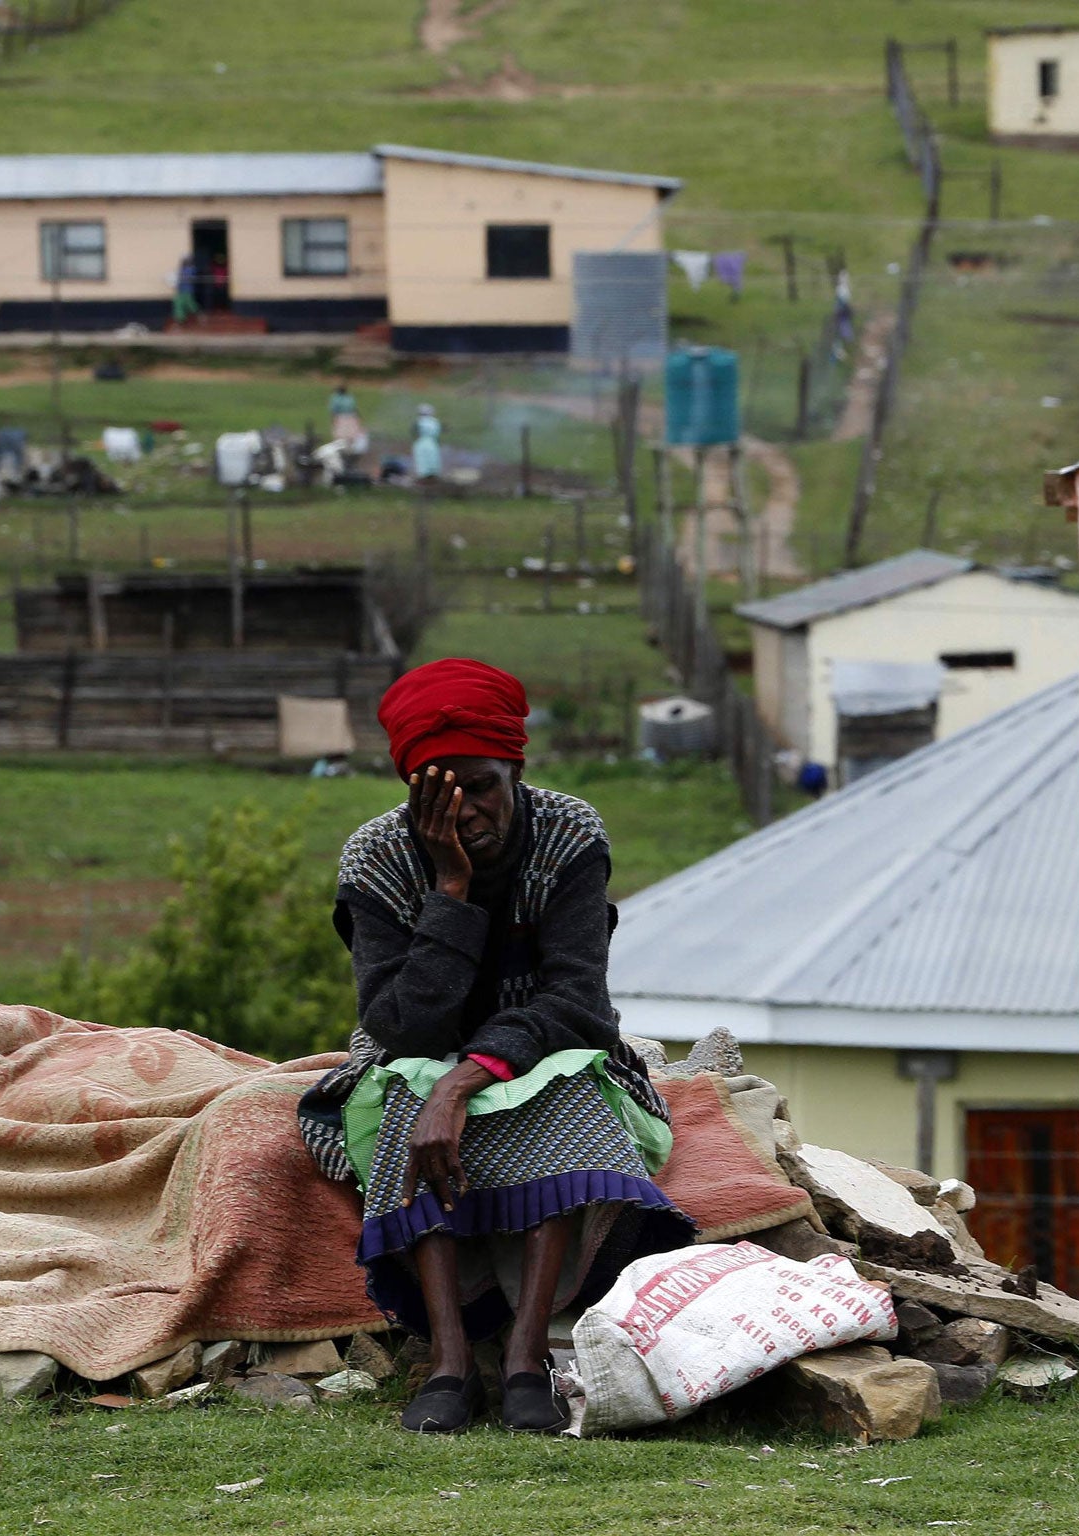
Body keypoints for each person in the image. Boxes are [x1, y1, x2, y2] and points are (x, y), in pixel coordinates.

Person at [298, 659, 690, 1434]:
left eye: (481, 785)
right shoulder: (377, 858)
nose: (466, 808)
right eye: (439, 791)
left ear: (517, 768)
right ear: (410, 787)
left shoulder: (569, 834)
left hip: (550, 1046)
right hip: (416, 1051)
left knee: (565, 1093)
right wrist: (449, 891)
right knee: (408, 1092)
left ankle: (523, 1356)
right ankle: (448, 1359)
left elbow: (577, 998)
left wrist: (466, 1084)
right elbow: (400, 1023)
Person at [411, 403, 442, 480]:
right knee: (433, 459)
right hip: (432, 442)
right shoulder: (435, 422)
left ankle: (423, 477)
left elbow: (414, 432)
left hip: (421, 441)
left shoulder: (419, 421)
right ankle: (434, 476)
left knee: (422, 460)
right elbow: (437, 434)